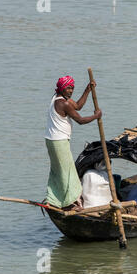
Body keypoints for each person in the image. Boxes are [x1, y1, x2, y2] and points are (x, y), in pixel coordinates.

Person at [44, 75, 102, 211]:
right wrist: (96, 116)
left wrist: (87, 90)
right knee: (67, 171)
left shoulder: (60, 99)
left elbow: (78, 106)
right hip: (58, 141)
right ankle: (70, 203)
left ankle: (54, 199)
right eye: (68, 88)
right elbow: (80, 120)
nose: (70, 91)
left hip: (52, 140)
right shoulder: (62, 103)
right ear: (62, 88)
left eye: (72, 88)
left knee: (57, 171)